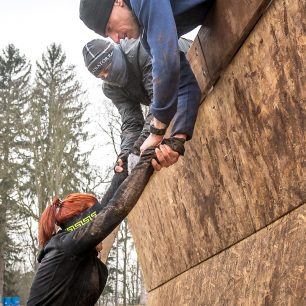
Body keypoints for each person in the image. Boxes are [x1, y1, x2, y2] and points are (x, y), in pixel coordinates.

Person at [27, 148, 176, 306]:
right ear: (82, 224)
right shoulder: (66, 246)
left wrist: (122, 170)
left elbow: (106, 208)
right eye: (94, 224)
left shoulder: (70, 247)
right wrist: (147, 162)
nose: (100, 233)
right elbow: (115, 209)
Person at [79, 0, 213, 161]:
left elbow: (167, 63)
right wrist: (177, 140)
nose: (116, 39)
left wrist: (157, 130)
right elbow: (185, 87)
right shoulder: (147, 40)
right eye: (108, 35)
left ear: (118, 2)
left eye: (110, 28)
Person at [82, 37, 199, 177]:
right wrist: (126, 154)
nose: (107, 77)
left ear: (115, 54)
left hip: (195, 66)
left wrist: (137, 149)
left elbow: (160, 97)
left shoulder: (142, 49)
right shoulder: (111, 89)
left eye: (108, 69)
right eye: (101, 77)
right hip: (176, 104)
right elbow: (132, 123)